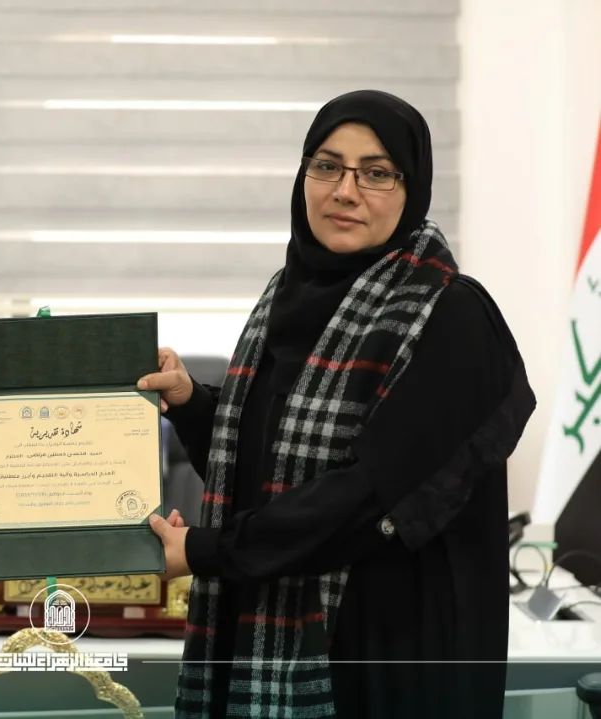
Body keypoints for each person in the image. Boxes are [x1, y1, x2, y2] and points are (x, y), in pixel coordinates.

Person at [139, 90, 536, 718]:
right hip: (274, 636)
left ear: (412, 189)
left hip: (390, 656)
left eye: (376, 173)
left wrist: (206, 551)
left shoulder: (453, 315)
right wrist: (190, 404)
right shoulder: (284, 298)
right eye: (327, 166)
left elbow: (367, 494)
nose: (345, 191)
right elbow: (268, 467)